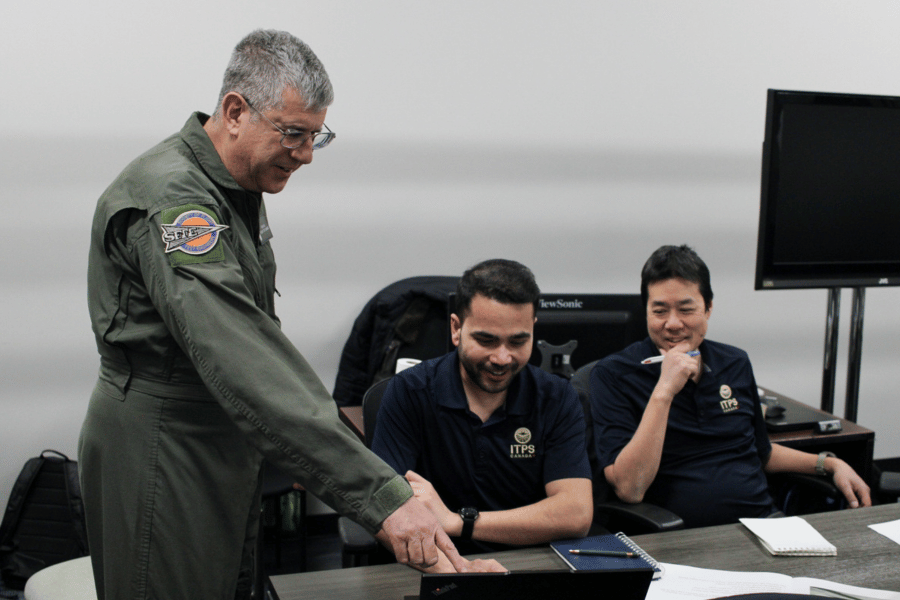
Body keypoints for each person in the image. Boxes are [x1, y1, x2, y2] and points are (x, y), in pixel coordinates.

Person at [78, 29, 487, 600]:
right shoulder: (176, 200)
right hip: (166, 444)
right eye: (293, 133)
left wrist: (311, 447)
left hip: (223, 437)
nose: (306, 154)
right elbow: (240, 355)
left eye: (317, 136)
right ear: (235, 110)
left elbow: (259, 348)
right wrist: (382, 497)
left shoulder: (233, 186)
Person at [590, 245, 871, 528]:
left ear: (708, 308)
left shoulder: (734, 362)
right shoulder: (614, 375)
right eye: (659, 311)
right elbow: (630, 488)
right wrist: (664, 391)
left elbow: (764, 454)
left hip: (765, 526)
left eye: (686, 310)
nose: (672, 324)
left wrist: (830, 464)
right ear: (647, 311)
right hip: (677, 539)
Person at [370, 259, 594, 571]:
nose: (502, 358)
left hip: (529, 565)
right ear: (456, 329)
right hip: (434, 565)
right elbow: (385, 512)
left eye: (518, 341)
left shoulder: (557, 397)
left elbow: (575, 514)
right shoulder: (409, 392)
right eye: (486, 340)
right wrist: (460, 572)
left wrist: (459, 522)